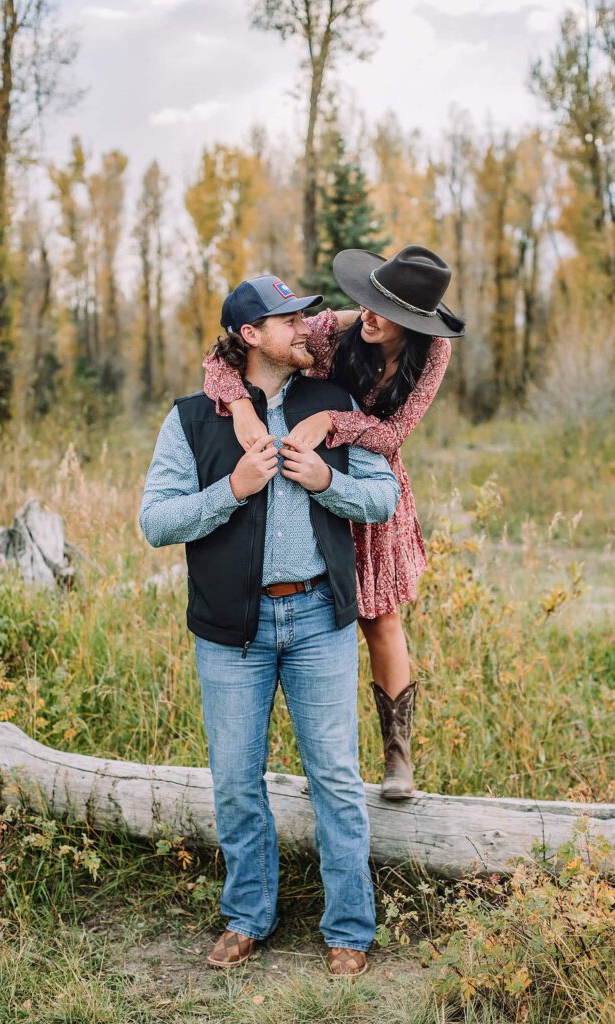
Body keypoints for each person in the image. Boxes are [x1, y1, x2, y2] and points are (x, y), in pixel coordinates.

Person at [140, 274, 400, 977]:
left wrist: (327, 482)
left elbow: (382, 497)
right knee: (234, 780)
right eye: (288, 320)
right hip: (231, 629)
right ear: (250, 335)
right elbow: (154, 520)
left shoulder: (334, 403)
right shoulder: (193, 418)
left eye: (307, 316)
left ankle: (348, 927)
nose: (306, 329)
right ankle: (248, 916)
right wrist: (230, 491)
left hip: (320, 617)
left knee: (336, 780)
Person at [203, 245, 465, 800]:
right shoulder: (334, 329)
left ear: (413, 324)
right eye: (367, 301)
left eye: (383, 312)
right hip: (307, 482)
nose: (366, 314)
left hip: (365, 476)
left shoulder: (432, 354)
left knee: (381, 619)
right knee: (323, 611)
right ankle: (320, 755)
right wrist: (245, 408)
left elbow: (393, 436)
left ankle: (398, 757)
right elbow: (217, 359)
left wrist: (330, 419)